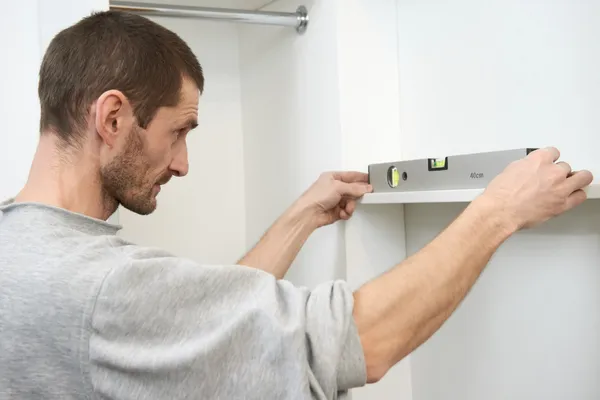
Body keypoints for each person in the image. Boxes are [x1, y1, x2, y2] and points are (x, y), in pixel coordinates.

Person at [0, 10, 593, 400]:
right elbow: (353, 341)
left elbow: (202, 329)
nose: (182, 163)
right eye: (179, 132)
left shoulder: (19, 244)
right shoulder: (101, 290)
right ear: (111, 117)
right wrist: (500, 211)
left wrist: (301, 217)